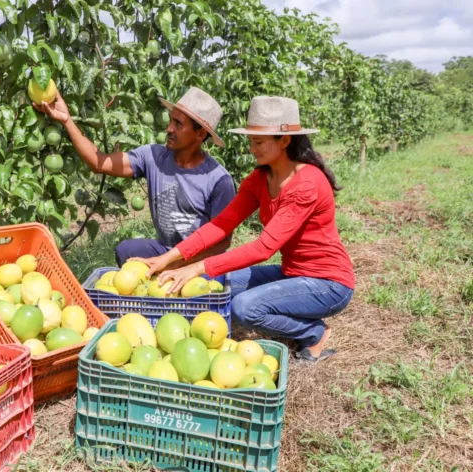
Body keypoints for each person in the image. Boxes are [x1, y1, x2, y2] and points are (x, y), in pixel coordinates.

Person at [133, 96, 355, 362]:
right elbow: (221, 224)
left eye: (258, 142)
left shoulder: (306, 184)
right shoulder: (260, 179)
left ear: (284, 141)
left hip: (328, 283)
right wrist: (169, 258)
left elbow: (264, 248)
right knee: (211, 284)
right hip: (292, 273)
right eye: (251, 141)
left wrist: (196, 266)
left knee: (243, 307)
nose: (252, 149)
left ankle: (313, 332)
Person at [33, 87, 236, 271]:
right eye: (170, 120)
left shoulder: (218, 180)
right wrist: (67, 120)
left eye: (178, 124)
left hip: (197, 260)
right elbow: (99, 163)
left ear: (200, 134)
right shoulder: (153, 157)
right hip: (164, 249)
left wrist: (174, 265)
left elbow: (221, 243)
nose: (169, 129)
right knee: (126, 251)